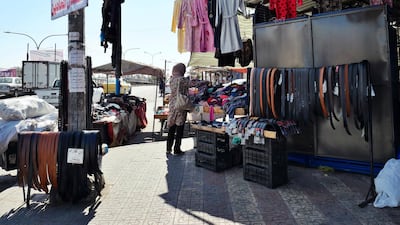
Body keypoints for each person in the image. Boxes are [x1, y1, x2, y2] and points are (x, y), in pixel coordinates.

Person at [166, 63, 190, 155]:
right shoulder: (183, 80)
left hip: (172, 106)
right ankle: (177, 149)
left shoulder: (171, 80)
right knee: (179, 129)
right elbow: (190, 85)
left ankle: (168, 149)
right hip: (181, 106)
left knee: (171, 128)